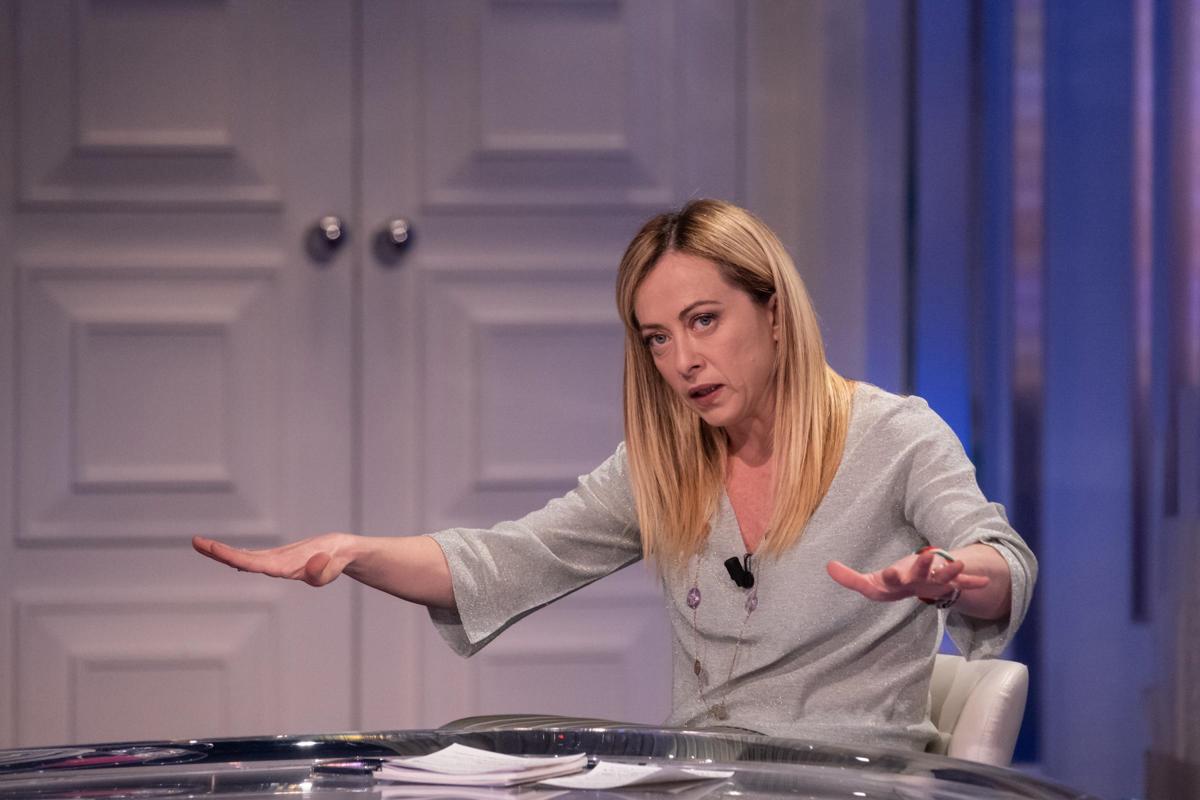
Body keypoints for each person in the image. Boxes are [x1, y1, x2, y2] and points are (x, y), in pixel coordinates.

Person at [193, 198, 1036, 752]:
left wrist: (953, 576)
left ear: (775, 312)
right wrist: (356, 552)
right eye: (658, 338)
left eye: (704, 321)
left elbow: (1001, 561)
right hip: (700, 780)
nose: (683, 360)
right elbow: (512, 559)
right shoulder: (666, 463)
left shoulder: (894, 436)